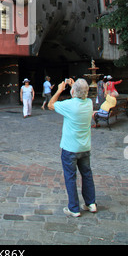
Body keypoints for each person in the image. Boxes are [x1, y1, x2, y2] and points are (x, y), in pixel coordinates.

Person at [48, 78, 96, 218]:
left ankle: (74, 208)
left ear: (73, 91)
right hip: (85, 147)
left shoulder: (69, 105)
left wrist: (59, 90)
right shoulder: (89, 103)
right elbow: (80, 93)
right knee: (87, 175)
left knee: (70, 177)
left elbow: (51, 105)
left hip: (70, 148)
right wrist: (74, 85)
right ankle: (91, 203)